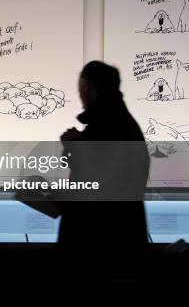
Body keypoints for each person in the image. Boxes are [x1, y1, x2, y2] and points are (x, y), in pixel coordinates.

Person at [57, 61, 150, 267]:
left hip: (99, 250)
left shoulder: (104, 125)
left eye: (80, 88)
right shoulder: (121, 122)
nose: (80, 94)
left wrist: (73, 145)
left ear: (87, 87)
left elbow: (94, 187)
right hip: (121, 245)